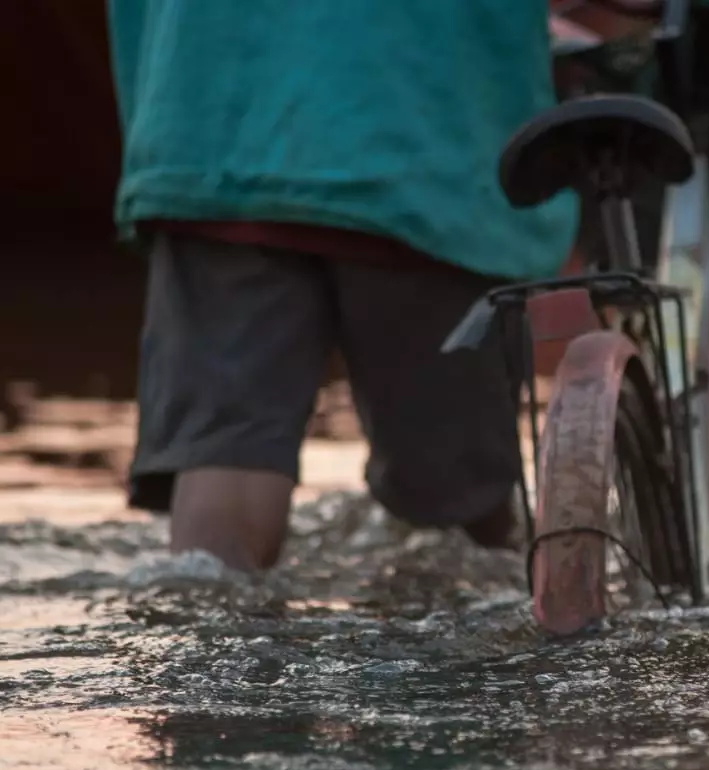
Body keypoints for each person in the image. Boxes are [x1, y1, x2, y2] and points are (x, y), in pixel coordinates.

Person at [107, 1, 579, 570]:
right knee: (454, 507)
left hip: (211, 133)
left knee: (226, 457)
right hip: (426, 149)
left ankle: (209, 616)